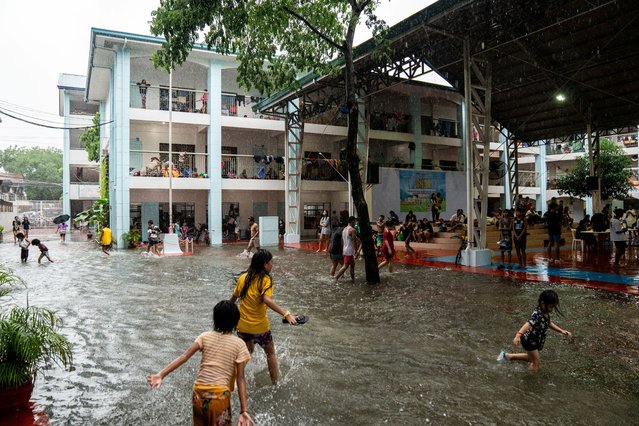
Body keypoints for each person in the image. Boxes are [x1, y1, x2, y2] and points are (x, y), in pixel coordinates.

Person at [147, 300, 255, 426]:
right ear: (236, 321)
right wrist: (244, 410)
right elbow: (240, 377)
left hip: (198, 393)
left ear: (215, 319)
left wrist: (161, 374)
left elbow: (184, 356)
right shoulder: (239, 344)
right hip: (219, 395)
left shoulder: (204, 336)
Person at [230, 250, 297, 385]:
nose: (272, 265)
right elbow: (267, 300)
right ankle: (275, 383)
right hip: (260, 328)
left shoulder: (243, 278)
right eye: (271, 262)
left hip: (242, 327)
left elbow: (232, 300)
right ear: (265, 265)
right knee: (270, 353)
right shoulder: (266, 280)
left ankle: (232, 380)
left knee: (246, 354)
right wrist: (286, 314)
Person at [497, 290, 572, 371]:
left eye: (553, 307)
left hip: (535, 340)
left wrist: (561, 330)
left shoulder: (545, 312)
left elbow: (548, 323)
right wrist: (518, 335)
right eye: (550, 307)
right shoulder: (537, 314)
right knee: (536, 362)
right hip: (530, 341)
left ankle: (507, 356)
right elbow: (528, 324)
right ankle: (531, 379)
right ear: (543, 303)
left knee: (530, 358)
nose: (552, 309)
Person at [334, 216, 358, 282]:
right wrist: (356, 251)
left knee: (353, 264)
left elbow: (342, 241)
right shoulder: (352, 230)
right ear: (352, 221)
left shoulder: (344, 229)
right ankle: (336, 278)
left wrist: (342, 249)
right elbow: (354, 241)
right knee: (345, 266)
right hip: (349, 251)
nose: (355, 223)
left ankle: (353, 279)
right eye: (355, 221)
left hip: (345, 249)